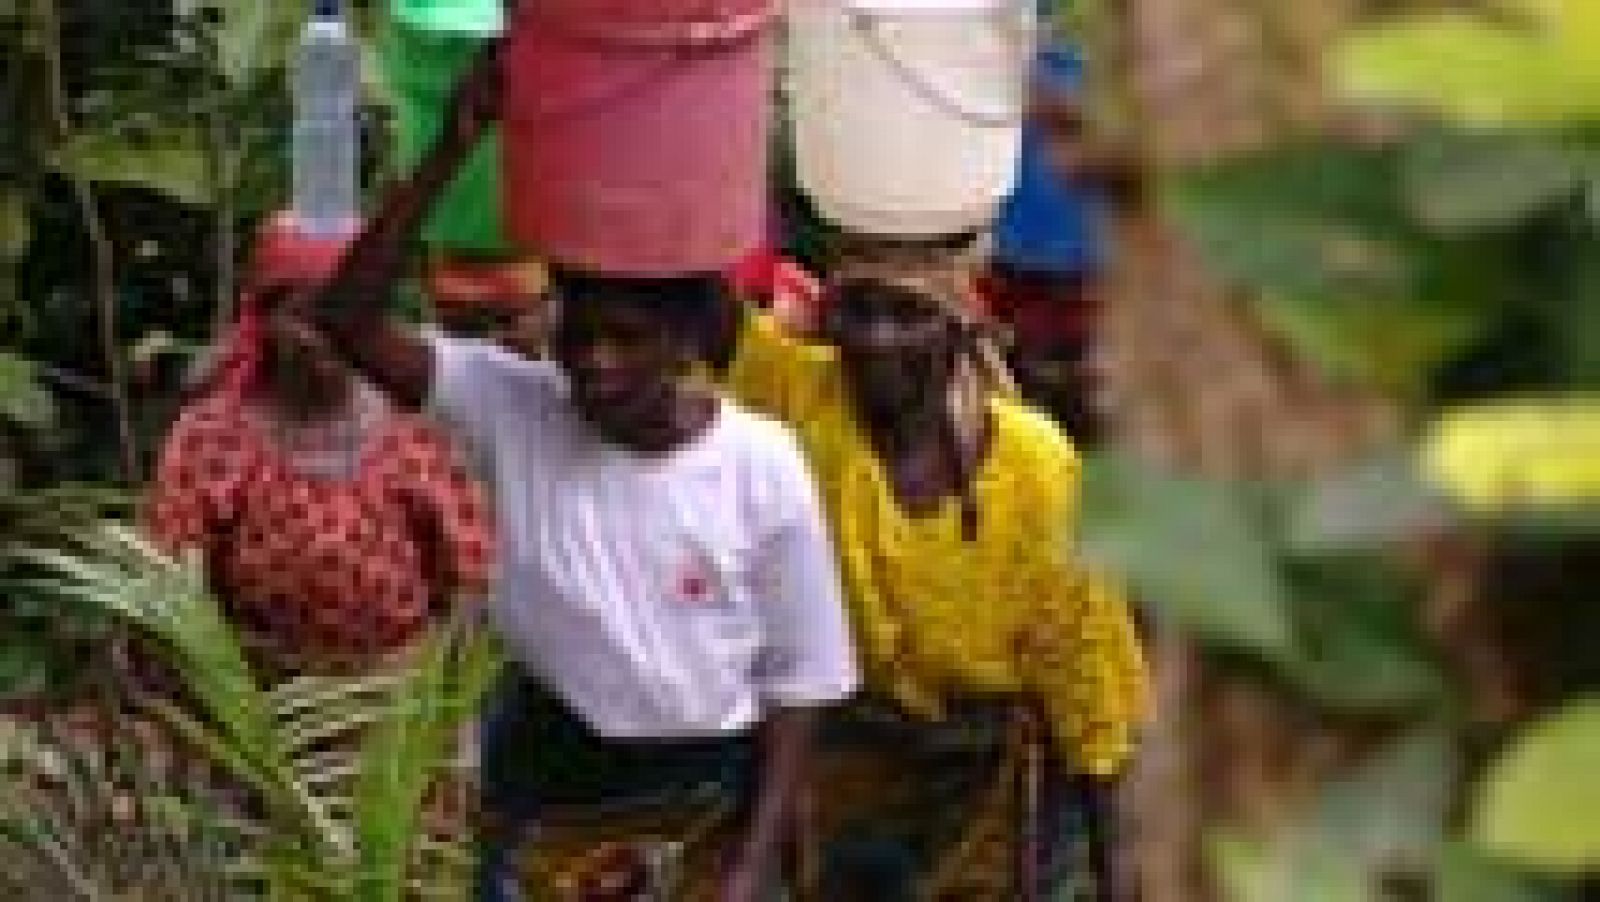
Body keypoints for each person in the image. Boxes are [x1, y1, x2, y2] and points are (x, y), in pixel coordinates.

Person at [275, 46, 859, 902]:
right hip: (554, 771)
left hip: (705, 790)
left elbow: (803, 679)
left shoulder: (760, 464)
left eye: (627, 339)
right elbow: (348, 320)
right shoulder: (514, 405)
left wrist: (753, 859)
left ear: (687, 343)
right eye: (578, 335)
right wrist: (452, 145)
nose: (595, 363)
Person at [716, 252, 1150, 900]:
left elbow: (1091, 688)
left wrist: (1121, 883)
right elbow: (694, 310)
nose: (876, 338)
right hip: (844, 771)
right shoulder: (805, 398)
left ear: (960, 328)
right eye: (858, 311)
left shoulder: (1032, 468)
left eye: (908, 314)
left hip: (989, 777)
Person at [143, 216, 494, 676]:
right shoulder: (213, 439)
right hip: (262, 717)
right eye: (302, 314)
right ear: (265, 321)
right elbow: (169, 595)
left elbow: (474, 585)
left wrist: (414, 680)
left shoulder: (420, 427)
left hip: (408, 718)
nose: (323, 334)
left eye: (342, 313)